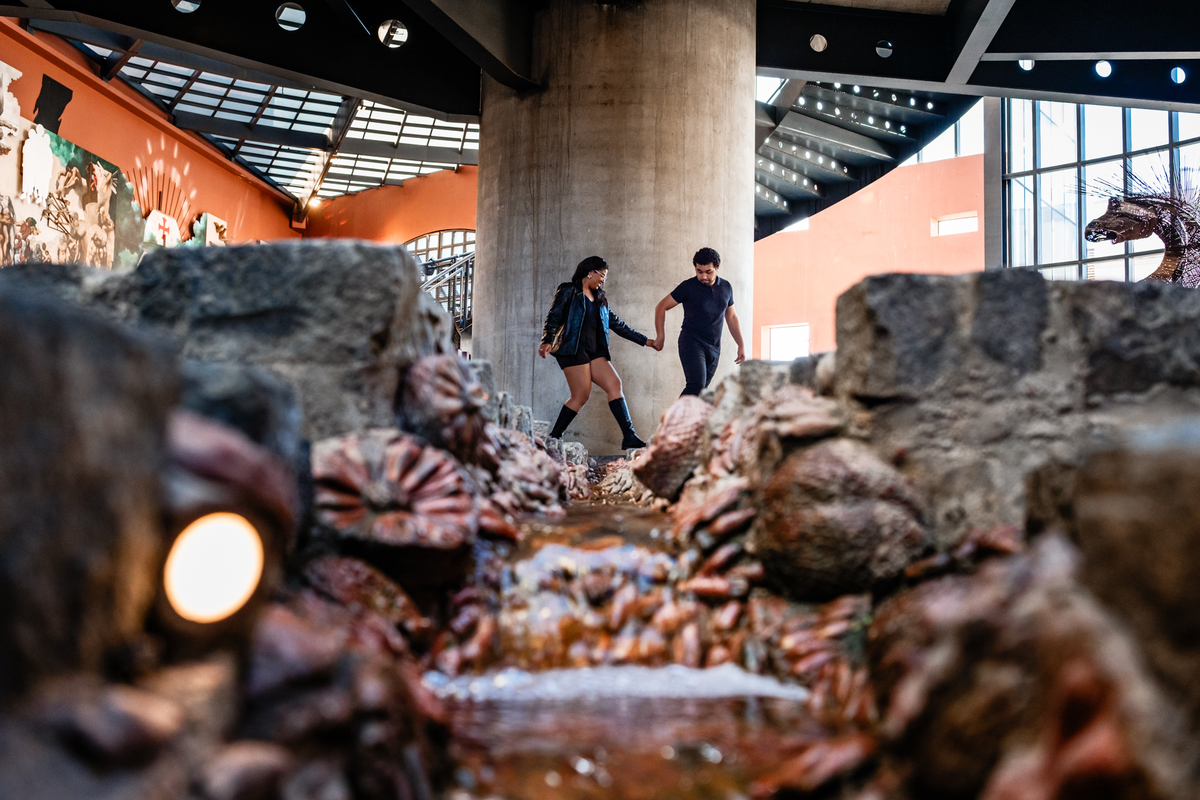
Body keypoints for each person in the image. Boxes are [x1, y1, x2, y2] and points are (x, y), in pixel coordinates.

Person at [539, 255, 662, 448]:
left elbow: (618, 325)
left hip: (595, 351)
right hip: (573, 349)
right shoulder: (568, 290)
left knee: (614, 384)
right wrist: (547, 340)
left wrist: (646, 341)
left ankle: (629, 436)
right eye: (602, 275)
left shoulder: (600, 299)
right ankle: (554, 438)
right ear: (590, 272)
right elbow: (554, 316)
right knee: (581, 395)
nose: (603, 280)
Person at [653, 247, 745, 396]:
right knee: (696, 385)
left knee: (699, 393)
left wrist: (740, 344)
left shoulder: (726, 287)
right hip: (692, 342)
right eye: (699, 271)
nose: (703, 276)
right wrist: (660, 336)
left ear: (717, 267)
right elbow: (661, 307)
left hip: (714, 347)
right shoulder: (688, 286)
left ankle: (683, 412)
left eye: (708, 272)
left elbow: (731, 317)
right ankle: (677, 413)